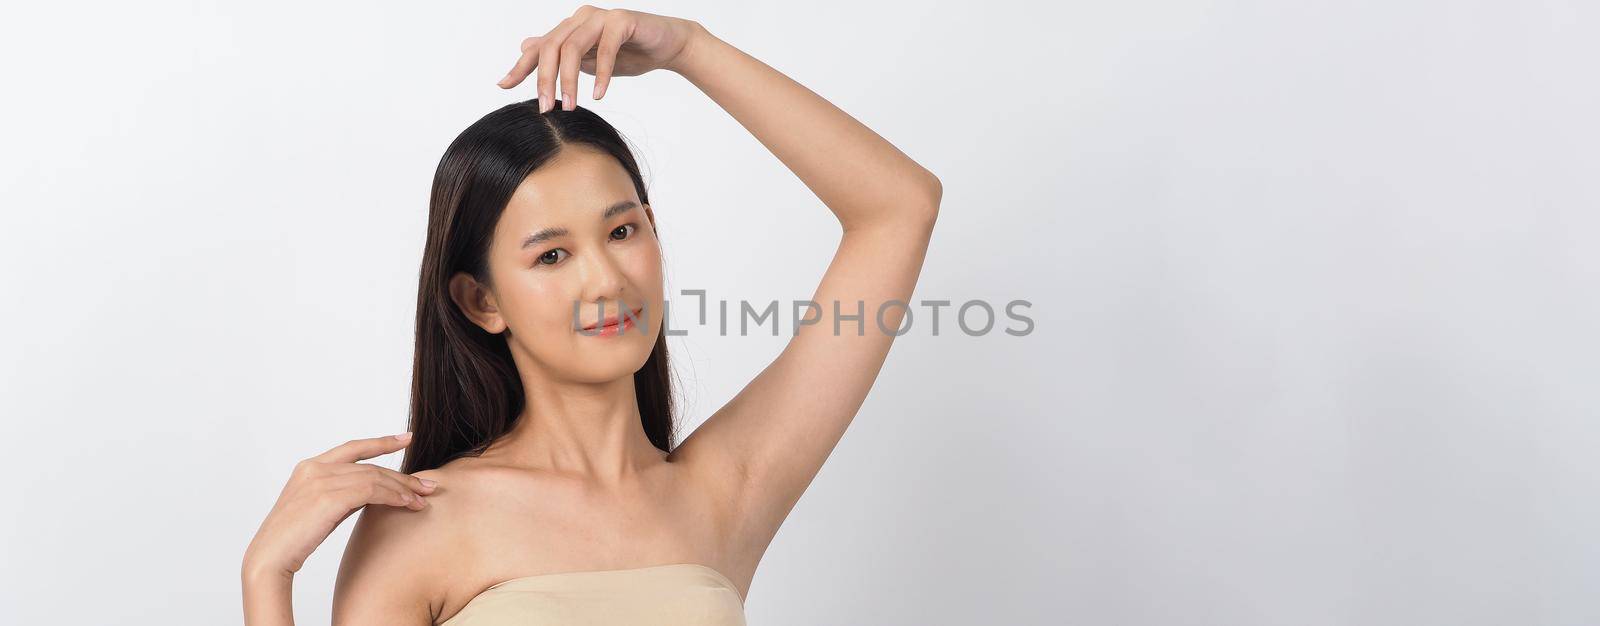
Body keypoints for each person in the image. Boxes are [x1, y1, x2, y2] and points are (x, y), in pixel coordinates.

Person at [242, 6, 941, 624]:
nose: (606, 279)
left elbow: (898, 208)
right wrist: (267, 582)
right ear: (480, 301)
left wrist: (689, 49)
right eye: (551, 256)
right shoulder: (419, 521)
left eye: (622, 232)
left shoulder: (724, 491)